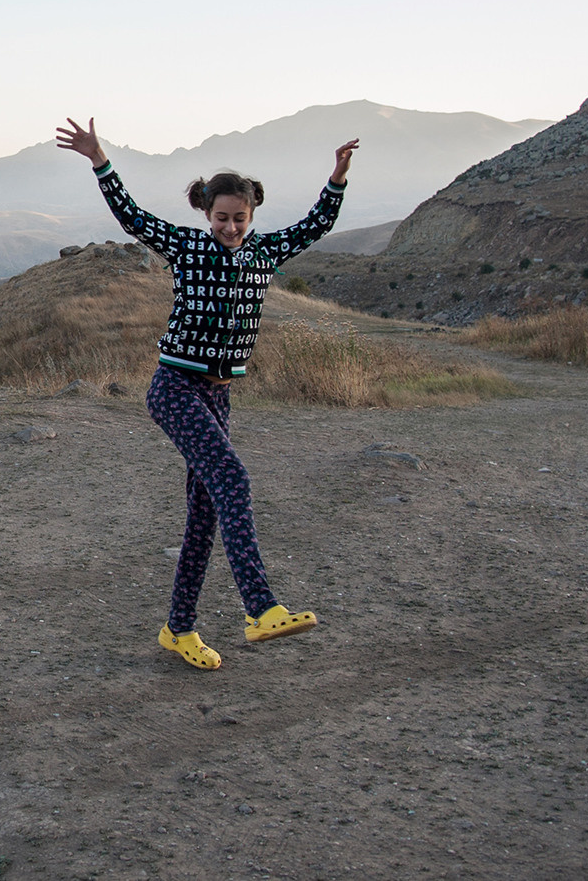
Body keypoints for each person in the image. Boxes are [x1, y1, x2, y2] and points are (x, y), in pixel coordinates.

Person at [54, 118, 359, 671]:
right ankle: (261, 608)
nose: (231, 227)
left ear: (252, 214)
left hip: (218, 397)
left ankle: (179, 629)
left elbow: (315, 226)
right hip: (174, 387)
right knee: (232, 477)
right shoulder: (189, 247)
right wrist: (101, 160)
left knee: (204, 516)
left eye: (240, 218)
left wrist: (335, 179)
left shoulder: (263, 252)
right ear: (205, 213)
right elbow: (132, 217)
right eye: (222, 218)